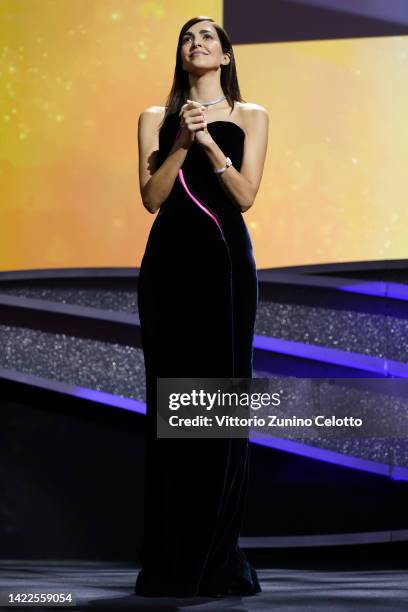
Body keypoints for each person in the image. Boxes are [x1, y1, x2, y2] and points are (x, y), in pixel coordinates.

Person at [135, 15, 268, 598]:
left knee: (220, 401)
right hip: (169, 266)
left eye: (208, 36)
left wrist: (210, 140)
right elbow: (151, 198)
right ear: (182, 56)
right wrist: (182, 140)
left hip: (226, 267)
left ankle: (215, 555)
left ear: (225, 55)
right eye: (189, 38)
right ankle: (169, 557)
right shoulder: (153, 119)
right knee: (170, 400)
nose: (198, 43)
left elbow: (244, 196)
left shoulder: (251, 116)